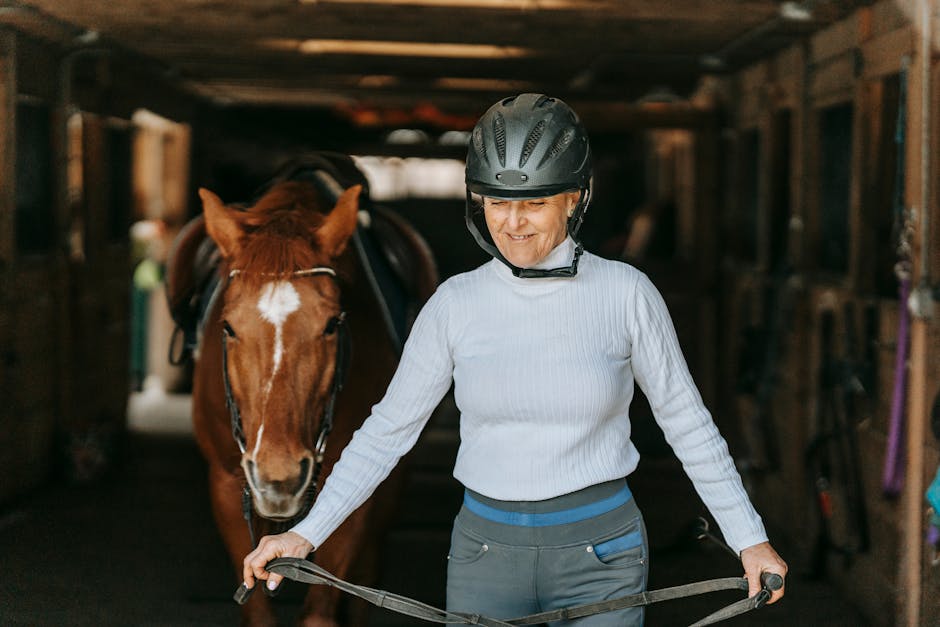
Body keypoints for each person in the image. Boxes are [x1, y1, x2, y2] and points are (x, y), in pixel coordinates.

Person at [243, 93, 787, 624]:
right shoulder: (456, 302)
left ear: (575, 198)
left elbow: (687, 422)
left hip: (603, 554)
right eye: (498, 202)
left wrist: (750, 539)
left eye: (535, 202)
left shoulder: (627, 293)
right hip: (486, 555)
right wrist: (305, 532)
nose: (514, 223)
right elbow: (387, 431)